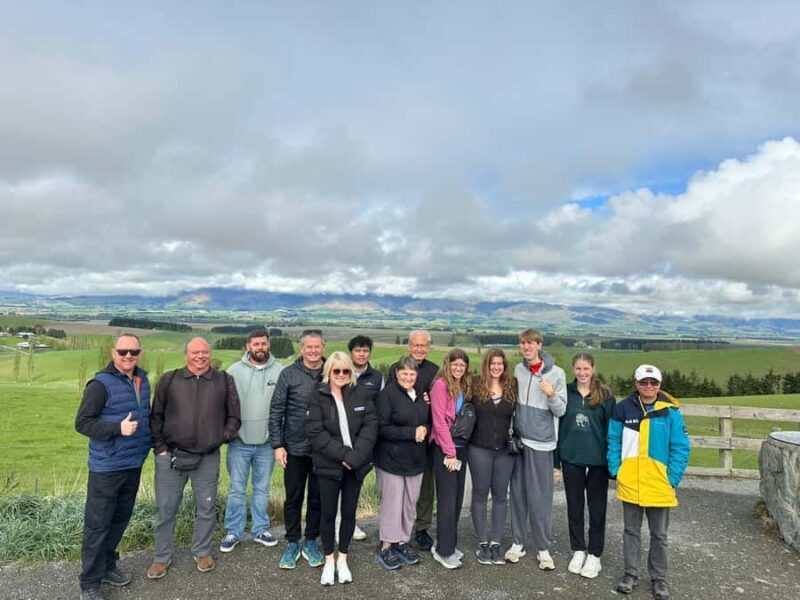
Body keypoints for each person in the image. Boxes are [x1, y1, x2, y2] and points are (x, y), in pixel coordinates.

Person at [148, 337, 241, 579]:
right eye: (195, 352)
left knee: (207, 507)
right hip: (171, 457)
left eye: (205, 352)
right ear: (186, 354)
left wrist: (221, 438)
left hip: (207, 458)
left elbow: (234, 416)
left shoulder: (223, 380)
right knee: (166, 509)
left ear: (210, 354)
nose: (200, 356)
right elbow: (155, 416)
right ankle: (161, 557)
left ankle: (202, 551)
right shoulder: (169, 379)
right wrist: (160, 449)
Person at [75, 334, 151, 600]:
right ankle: (90, 584)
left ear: (140, 353)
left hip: (133, 463)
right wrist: (117, 428)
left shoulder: (143, 379)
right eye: (123, 351)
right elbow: (83, 423)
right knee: (98, 525)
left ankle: (108, 566)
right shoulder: (99, 384)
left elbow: (145, 417)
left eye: (133, 351)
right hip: (107, 467)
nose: (128, 356)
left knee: (119, 520)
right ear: (113, 352)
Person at [608, 364, 690, 600]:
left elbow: (681, 448)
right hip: (630, 481)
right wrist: (616, 470)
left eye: (653, 383)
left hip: (659, 484)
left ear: (659, 385)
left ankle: (659, 578)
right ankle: (630, 574)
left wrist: (671, 478)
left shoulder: (671, 412)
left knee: (659, 535)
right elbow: (613, 440)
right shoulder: (622, 409)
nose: (649, 387)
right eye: (644, 382)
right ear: (636, 384)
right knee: (630, 531)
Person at [306, 351, 378, 585]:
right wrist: (345, 456)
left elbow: (371, 426)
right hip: (329, 466)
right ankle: (329, 560)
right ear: (329, 372)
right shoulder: (317, 396)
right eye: (336, 370)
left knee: (348, 514)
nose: (341, 375)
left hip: (355, 468)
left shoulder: (362, 394)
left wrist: (355, 458)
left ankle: (343, 559)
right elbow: (316, 433)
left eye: (345, 370)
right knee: (327, 515)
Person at [219, 328, 285, 553]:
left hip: (267, 444)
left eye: (263, 344)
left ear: (269, 345)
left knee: (262, 489)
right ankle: (233, 532)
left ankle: (260, 529)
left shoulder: (280, 371)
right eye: (255, 344)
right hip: (239, 443)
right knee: (236, 490)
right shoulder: (233, 371)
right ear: (248, 346)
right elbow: (222, 404)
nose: (260, 348)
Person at [507, 328, 567, 569]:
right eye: (523, 343)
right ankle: (518, 543)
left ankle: (543, 548)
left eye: (531, 343)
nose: (527, 347)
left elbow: (561, 410)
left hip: (542, 444)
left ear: (540, 345)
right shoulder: (518, 370)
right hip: (519, 442)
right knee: (518, 495)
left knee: (540, 498)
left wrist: (551, 394)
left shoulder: (557, 373)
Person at [268, 329, 326, 569]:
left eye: (317, 347)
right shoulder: (289, 374)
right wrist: (278, 445)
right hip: (294, 448)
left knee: (317, 498)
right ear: (301, 348)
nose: (313, 351)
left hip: (324, 448)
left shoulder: (332, 371)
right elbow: (276, 412)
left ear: (323, 347)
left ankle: (311, 540)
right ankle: (292, 541)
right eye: (308, 347)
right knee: (293, 497)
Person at [557, 353, 615, 579]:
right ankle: (578, 549)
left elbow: (612, 431)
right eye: (578, 369)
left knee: (597, 509)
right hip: (571, 458)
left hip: (598, 461)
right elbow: (558, 425)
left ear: (593, 368)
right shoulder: (566, 393)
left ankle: (595, 554)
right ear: (573, 369)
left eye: (586, 369)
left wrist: (612, 462)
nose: (582, 373)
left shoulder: (606, 395)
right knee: (574, 506)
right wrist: (556, 459)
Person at [374, 356, 429, 570]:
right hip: (391, 460)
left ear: (416, 376)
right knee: (392, 503)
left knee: (409, 503)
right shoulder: (387, 395)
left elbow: (426, 421)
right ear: (397, 374)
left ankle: (402, 542)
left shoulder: (421, 396)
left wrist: (424, 428)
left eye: (412, 374)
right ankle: (387, 545)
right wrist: (411, 433)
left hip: (415, 460)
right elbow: (382, 428)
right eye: (404, 373)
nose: (408, 377)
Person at [387, 330, 439, 551]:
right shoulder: (395, 368)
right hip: (400, 440)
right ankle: (396, 532)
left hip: (426, 439)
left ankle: (422, 528)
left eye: (423, 345)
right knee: (399, 491)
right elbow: (390, 397)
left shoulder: (435, 371)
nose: (419, 349)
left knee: (425, 488)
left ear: (428, 347)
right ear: (409, 345)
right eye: (415, 345)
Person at [468, 348, 516, 566]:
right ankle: (482, 542)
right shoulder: (475, 383)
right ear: (486, 365)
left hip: (505, 451)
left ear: (504, 366)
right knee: (479, 494)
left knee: (500, 495)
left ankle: (496, 542)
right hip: (479, 448)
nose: (496, 367)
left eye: (500, 364)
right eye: (492, 363)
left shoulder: (512, 385)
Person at [429, 348, 473, 569]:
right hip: (447, 451)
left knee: (456, 501)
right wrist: (450, 452)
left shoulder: (463, 385)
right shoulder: (440, 385)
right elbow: (439, 421)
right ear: (447, 364)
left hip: (460, 448)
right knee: (447, 502)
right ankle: (443, 552)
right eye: (454, 364)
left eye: (462, 365)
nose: (458, 368)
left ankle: (449, 543)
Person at [343, 334, 384, 541]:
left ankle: (350, 523)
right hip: (342, 437)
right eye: (358, 350)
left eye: (365, 350)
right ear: (351, 352)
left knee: (355, 482)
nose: (361, 354)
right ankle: (335, 522)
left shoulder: (377, 378)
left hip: (366, 439)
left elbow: (382, 406)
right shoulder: (342, 372)